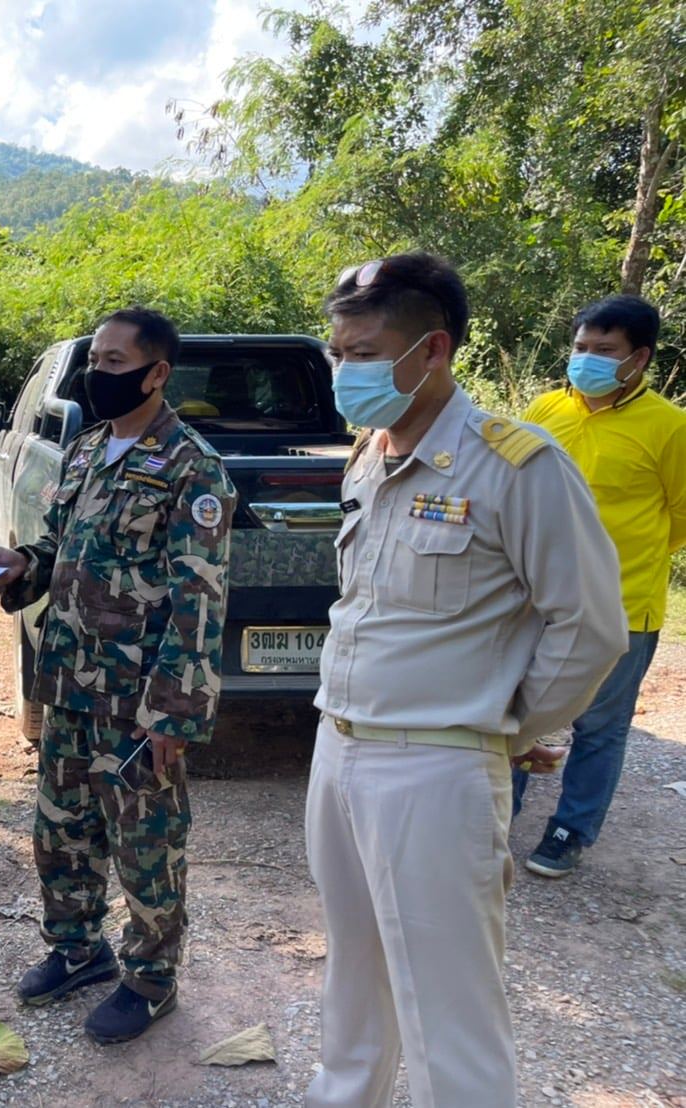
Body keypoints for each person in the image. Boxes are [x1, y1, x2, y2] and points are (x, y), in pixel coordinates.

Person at [306, 253, 628, 1108]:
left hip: (436, 766)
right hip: (336, 747)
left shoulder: (517, 465)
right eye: (338, 352)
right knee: (354, 976)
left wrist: (505, 729)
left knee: (450, 1009)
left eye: (365, 353)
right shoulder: (369, 458)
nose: (346, 372)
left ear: (434, 350)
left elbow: (590, 625)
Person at [0, 307, 236, 1044]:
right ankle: (77, 949)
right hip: (67, 682)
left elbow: (200, 601)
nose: (98, 374)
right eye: (95, 359)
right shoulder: (89, 450)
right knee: (61, 832)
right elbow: (55, 545)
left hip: (136, 703)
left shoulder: (193, 468)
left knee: (146, 845)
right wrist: (22, 565)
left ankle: (151, 979)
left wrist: (175, 714)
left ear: (158, 374)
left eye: (116, 363)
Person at [512, 294, 686, 877]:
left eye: (603, 351)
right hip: (535, 597)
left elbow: (681, 516)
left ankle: (570, 830)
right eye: (581, 348)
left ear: (638, 358)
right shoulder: (543, 410)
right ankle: (494, 817)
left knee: (600, 726)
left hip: (622, 603)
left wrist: (614, 559)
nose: (586, 360)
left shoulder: (669, 427)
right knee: (513, 709)